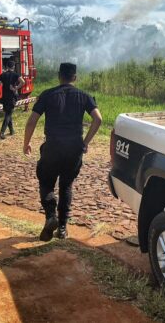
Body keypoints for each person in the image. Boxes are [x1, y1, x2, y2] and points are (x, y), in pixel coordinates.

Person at [23, 62, 102, 241]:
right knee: (66, 186)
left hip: (52, 147)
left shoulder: (48, 94)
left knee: (46, 182)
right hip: (74, 149)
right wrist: (85, 142)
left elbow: (31, 121)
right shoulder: (84, 96)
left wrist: (26, 143)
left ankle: (51, 216)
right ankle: (63, 229)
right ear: (75, 77)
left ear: (59, 76)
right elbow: (98, 119)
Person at [0, 60, 25, 139]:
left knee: (8, 112)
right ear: (13, 67)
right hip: (12, 97)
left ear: (6, 67)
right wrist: (16, 88)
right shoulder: (15, 75)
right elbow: (23, 82)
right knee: (8, 114)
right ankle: (2, 132)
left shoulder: (2, 75)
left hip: (5, 97)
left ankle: (11, 130)